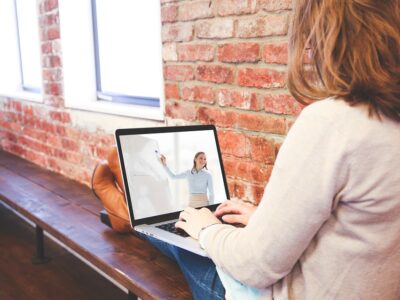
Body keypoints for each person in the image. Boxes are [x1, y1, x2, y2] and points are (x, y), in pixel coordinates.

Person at [142, 0, 400, 299]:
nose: (310, 50)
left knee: (176, 242)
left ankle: (122, 212)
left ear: (328, 36)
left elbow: (255, 267)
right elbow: (357, 230)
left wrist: (207, 229)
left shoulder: (332, 122)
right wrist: (265, 222)